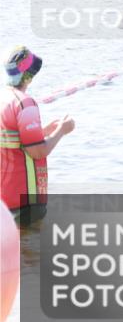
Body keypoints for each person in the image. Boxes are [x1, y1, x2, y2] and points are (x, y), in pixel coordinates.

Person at [2, 47, 75, 227]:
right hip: (25, 202)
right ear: (27, 76)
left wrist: (42, 131)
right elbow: (38, 152)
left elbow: (11, 140)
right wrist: (62, 131)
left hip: (4, 200)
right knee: (31, 252)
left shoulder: (3, 98)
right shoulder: (25, 103)